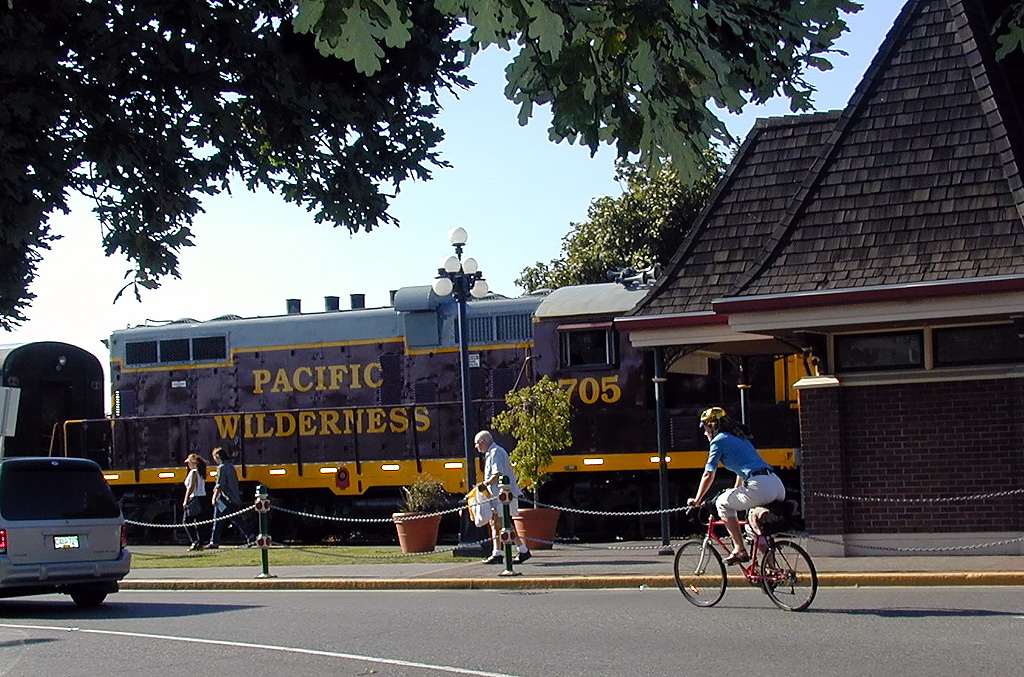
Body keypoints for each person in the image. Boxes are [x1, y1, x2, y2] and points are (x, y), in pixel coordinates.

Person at [687, 407, 786, 564]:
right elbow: (741, 471)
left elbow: (708, 474)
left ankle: (739, 549)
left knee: (722, 504)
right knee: (753, 528)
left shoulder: (718, 441)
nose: (705, 433)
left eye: (705, 428)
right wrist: (736, 489)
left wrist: (697, 500)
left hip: (758, 486)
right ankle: (771, 571)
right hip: (775, 484)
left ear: (712, 426)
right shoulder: (739, 437)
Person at [474, 430, 532, 565]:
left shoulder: (495, 453)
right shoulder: (493, 452)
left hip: (503, 496)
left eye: (477, 444)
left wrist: (484, 484)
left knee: (503, 523)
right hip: (499, 496)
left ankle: (517, 551)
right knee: (497, 523)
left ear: (484, 442)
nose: (476, 447)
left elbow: (497, 473)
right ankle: (502, 552)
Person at [207, 447, 254, 548]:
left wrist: (214, 497)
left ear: (218, 456)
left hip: (225, 499)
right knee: (236, 518)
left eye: (214, 457)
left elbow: (220, 484)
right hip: (234, 498)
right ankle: (250, 535)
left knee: (218, 520)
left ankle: (214, 542)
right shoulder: (231, 466)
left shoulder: (222, 468)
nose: (214, 459)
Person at [182, 453, 208, 551]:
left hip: (195, 498)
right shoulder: (201, 472)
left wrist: (185, 500)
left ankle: (194, 541)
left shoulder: (193, 472)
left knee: (186, 521)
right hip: (202, 498)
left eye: (189, 463)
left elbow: (191, 487)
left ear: (193, 463)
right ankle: (200, 542)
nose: (188, 465)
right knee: (200, 522)